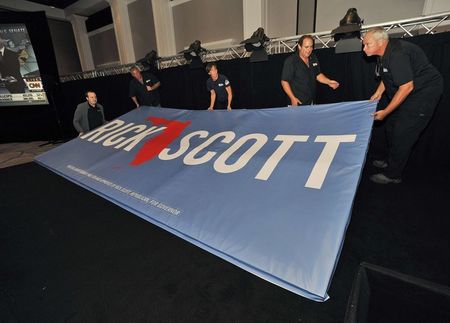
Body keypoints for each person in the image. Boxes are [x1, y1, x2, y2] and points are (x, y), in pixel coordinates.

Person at [363, 27, 443, 184]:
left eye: (367, 44)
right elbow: (386, 75)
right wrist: (378, 92)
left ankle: (393, 175)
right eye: (363, 44)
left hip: (422, 94)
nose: (364, 48)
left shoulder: (397, 54)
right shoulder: (384, 53)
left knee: (402, 133)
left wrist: (385, 112)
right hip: (408, 91)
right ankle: (392, 160)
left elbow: (406, 87)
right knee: (391, 127)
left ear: (380, 42)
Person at [281, 35, 339, 106]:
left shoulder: (313, 58)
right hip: (297, 103)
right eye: (306, 47)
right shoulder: (291, 61)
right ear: (299, 46)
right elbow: (284, 82)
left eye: (311, 47)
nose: (309, 50)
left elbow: (317, 75)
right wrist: (292, 98)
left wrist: (329, 82)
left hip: (311, 102)